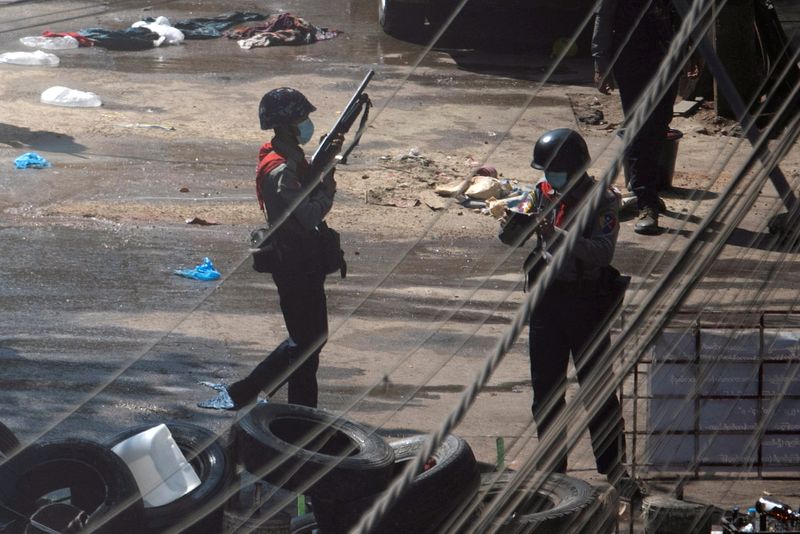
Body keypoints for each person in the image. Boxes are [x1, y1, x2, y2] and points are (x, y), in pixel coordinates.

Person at [198, 87, 341, 411]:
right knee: (306, 341)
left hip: (302, 256)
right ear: (289, 125)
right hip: (293, 259)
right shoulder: (280, 169)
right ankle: (247, 393)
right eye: (302, 118)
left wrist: (322, 168)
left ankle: (301, 410)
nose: (307, 124)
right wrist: (328, 188)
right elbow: (306, 215)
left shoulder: (290, 157)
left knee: (310, 341)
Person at [520, 128, 641, 499]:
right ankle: (552, 471)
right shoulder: (542, 193)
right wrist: (516, 225)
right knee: (546, 391)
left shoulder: (603, 201)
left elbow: (602, 252)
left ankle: (614, 468)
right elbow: (520, 229)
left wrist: (560, 237)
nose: (549, 179)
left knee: (597, 390)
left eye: (554, 172)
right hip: (547, 301)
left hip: (585, 302)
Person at [592, 0, 678, 235]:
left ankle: (646, 191)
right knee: (641, 129)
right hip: (633, 59)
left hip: (667, 56)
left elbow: (679, 13)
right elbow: (604, 15)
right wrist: (602, 62)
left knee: (659, 126)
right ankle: (646, 202)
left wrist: (693, 53)